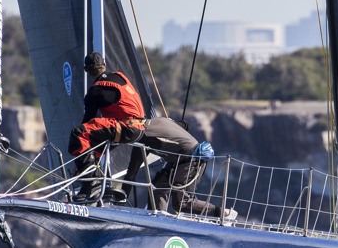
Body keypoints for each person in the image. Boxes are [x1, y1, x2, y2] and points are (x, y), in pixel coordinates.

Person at [69, 52, 147, 203]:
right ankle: (97, 178)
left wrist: (79, 162)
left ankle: (92, 184)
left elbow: (87, 122)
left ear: (86, 70)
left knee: (78, 134)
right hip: (140, 129)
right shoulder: (120, 76)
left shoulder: (95, 91)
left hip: (125, 127)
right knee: (97, 142)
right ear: (104, 65)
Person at [124, 117, 235, 219]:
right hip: (179, 160)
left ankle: (223, 213)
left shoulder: (144, 137)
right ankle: (158, 217)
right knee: (159, 186)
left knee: (181, 203)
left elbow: (131, 172)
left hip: (192, 160)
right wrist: (177, 123)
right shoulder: (156, 121)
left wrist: (121, 198)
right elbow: (185, 125)